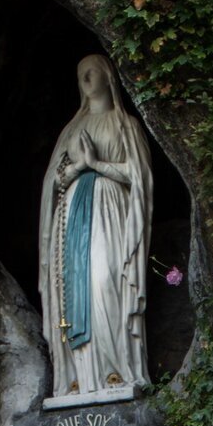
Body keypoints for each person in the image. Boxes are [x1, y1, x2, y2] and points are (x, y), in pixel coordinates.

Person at [38, 54, 153, 397]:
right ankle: (81, 379)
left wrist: (97, 165)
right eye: (79, 75)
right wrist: (76, 170)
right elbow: (53, 182)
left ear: (107, 77)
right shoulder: (71, 130)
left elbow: (139, 176)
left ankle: (117, 370)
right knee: (74, 292)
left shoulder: (126, 125)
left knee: (105, 282)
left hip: (109, 212)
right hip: (73, 217)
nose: (84, 80)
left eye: (90, 72)